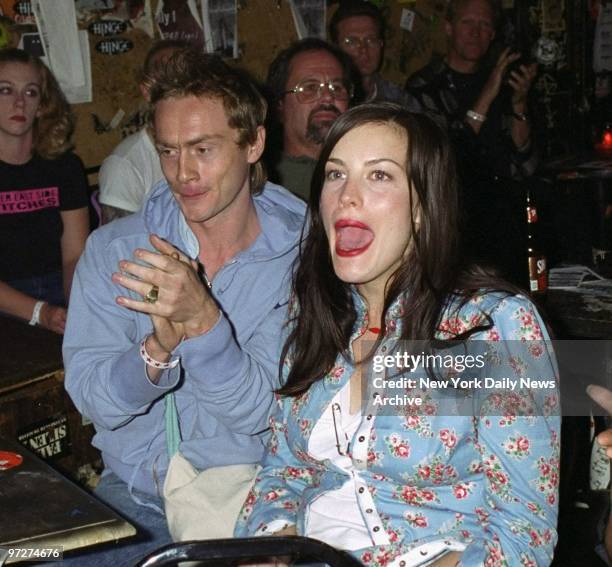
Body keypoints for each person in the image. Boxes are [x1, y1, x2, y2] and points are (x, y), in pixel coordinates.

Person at [235, 103, 560, 566]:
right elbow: (283, 470)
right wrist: (272, 548)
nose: (347, 196)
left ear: (425, 206)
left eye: (380, 176)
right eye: (334, 174)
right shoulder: (316, 315)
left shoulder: (491, 328)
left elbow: (523, 534)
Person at [63, 49, 305, 563]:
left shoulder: (305, 260)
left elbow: (263, 411)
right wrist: (155, 352)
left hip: (259, 497)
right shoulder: (117, 251)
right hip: (138, 497)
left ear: (254, 142)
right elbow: (91, 400)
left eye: (203, 149)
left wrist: (203, 321)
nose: (183, 172)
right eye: (169, 151)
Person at [406, 0, 538, 285]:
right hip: (456, 225)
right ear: (449, 28)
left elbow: (525, 161)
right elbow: (450, 154)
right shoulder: (424, 87)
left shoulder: (503, 80)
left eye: (485, 25)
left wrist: (519, 104)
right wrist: (489, 91)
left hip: (505, 222)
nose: (476, 32)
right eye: (468, 23)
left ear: (493, 34)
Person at [0, 48, 89, 334]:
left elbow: (75, 256)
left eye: (30, 93)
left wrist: (78, 310)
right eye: (5, 90)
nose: (19, 103)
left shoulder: (64, 167)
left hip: (57, 290)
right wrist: (41, 312)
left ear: (42, 105)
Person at [98, 39, 189, 224]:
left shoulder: (216, 149)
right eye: (167, 78)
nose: (180, 86)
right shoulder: (125, 165)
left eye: (189, 75)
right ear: (147, 91)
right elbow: (119, 246)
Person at [265, 38, 355, 201]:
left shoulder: (366, 170)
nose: (328, 97)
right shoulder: (265, 186)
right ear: (280, 104)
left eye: (337, 88)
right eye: (310, 88)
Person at [329, 0, 419, 108]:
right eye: (352, 42)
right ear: (336, 48)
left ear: (381, 45)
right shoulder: (327, 100)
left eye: (371, 40)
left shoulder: (400, 102)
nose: (363, 49)